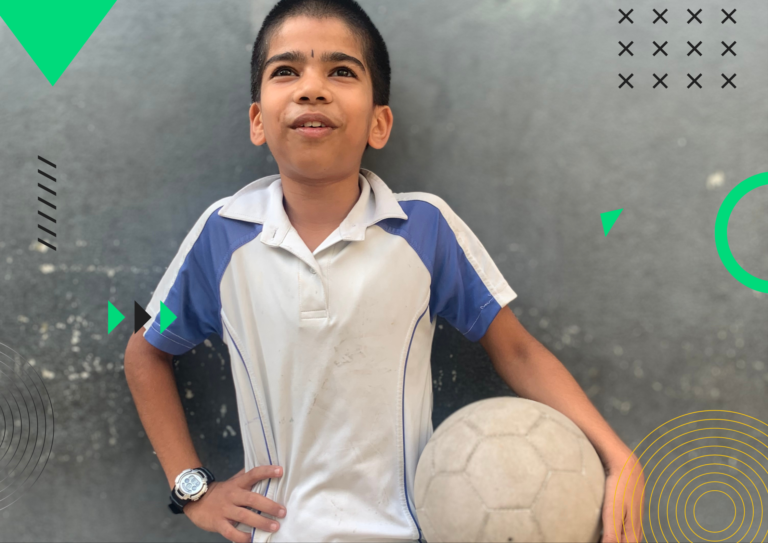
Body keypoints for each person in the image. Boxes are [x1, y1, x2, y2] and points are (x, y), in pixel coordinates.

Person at [124, 1, 645, 542]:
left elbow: (517, 351)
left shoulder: (424, 227)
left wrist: (618, 456)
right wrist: (193, 490)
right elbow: (145, 353)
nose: (312, 89)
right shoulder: (224, 233)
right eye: (286, 71)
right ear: (258, 120)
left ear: (379, 122)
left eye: (341, 71)